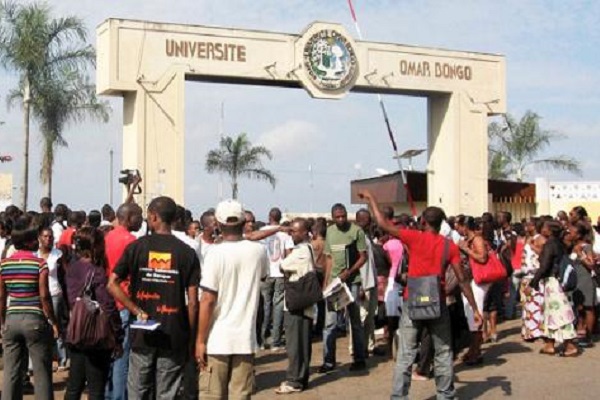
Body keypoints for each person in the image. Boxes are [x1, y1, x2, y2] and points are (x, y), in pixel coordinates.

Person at [359, 190, 482, 400]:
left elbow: (383, 224)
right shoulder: (449, 246)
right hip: (438, 303)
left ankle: (399, 396)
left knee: (406, 354)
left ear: (423, 221)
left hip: (412, 301)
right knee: (443, 352)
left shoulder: (414, 237)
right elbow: (462, 279)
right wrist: (475, 308)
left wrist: (371, 198)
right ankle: (445, 395)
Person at [108, 196, 200, 399]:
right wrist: (192, 338)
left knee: (138, 390)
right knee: (167, 392)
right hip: (174, 331)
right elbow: (193, 303)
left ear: (154, 217)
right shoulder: (187, 253)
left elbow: (112, 283)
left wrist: (135, 310)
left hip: (143, 332)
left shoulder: (137, 247)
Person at [196, 199, 269, 400]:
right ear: (245, 221)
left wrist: (200, 340)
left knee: (211, 395)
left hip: (217, 338)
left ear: (218, 224)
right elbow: (262, 276)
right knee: (241, 395)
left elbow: (208, 299)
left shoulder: (214, 253)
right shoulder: (258, 251)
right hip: (245, 338)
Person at [0, 215, 59, 400]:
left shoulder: (4, 265)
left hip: (11, 320)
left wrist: (2, 322)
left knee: (11, 372)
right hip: (34, 320)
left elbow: (1, 297)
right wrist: (53, 321)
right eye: (35, 238)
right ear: (28, 241)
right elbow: (44, 296)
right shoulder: (39, 264)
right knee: (42, 373)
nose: (38, 241)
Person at [64, 227, 124, 400]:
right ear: (95, 246)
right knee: (96, 389)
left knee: (74, 385)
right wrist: (118, 334)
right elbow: (108, 306)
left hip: (76, 330)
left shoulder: (72, 268)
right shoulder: (97, 272)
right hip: (96, 336)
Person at [320, 203, 368, 373]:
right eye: (337, 216)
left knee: (355, 322)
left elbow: (363, 257)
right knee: (330, 323)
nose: (341, 219)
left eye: (343, 216)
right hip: (335, 284)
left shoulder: (356, 231)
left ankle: (360, 358)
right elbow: (329, 258)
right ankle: (328, 361)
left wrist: (350, 272)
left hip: (352, 281)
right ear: (333, 217)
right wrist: (326, 282)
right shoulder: (330, 232)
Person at [104, 202, 143, 400]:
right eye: (139, 216)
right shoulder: (131, 242)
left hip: (108, 304)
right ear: (128, 218)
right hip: (125, 303)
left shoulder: (107, 237)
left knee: (110, 357)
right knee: (122, 358)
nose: (142, 220)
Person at [275, 218, 315, 394]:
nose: (292, 234)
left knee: (295, 344)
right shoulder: (308, 249)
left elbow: (282, 265)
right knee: (302, 343)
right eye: (291, 231)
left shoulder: (301, 252)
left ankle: (294, 381)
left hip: (296, 304)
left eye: (295, 231)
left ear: (305, 232)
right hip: (304, 303)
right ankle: (301, 378)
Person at [527, 220, 578, 356]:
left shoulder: (550, 244)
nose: (541, 229)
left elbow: (544, 266)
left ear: (549, 230)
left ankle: (570, 345)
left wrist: (533, 282)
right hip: (554, 282)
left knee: (560, 313)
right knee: (550, 313)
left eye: (544, 227)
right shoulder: (558, 243)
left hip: (553, 282)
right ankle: (549, 345)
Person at [456, 216, 489, 365]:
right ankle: (473, 348)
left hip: (477, 281)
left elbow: (482, 258)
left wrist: (465, 249)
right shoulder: (469, 239)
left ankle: (476, 350)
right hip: (470, 280)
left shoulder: (477, 239)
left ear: (465, 226)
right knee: (470, 314)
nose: (456, 228)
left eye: (458, 225)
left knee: (476, 314)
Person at [259, 207, 293, 350]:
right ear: (279, 218)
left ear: (269, 217)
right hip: (280, 273)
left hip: (266, 273)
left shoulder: (261, 232)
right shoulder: (285, 234)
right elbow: (289, 254)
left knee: (265, 305)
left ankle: (261, 340)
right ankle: (275, 341)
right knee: (278, 306)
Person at [36, 227, 68, 372]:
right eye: (45, 236)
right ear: (39, 238)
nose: (48, 239)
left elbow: (64, 276)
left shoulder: (58, 254)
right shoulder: (34, 255)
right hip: (38, 295)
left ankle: (61, 359)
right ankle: (41, 361)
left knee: (56, 326)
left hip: (55, 294)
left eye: (50, 236)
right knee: (40, 327)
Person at [569, 221, 596, 347]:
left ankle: (589, 337)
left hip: (585, 280)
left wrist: (580, 254)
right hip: (576, 281)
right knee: (579, 308)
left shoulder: (586, 247)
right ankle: (580, 333)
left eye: (572, 232)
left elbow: (591, 265)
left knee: (588, 308)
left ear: (579, 234)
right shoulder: (572, 246)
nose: (570, 234)